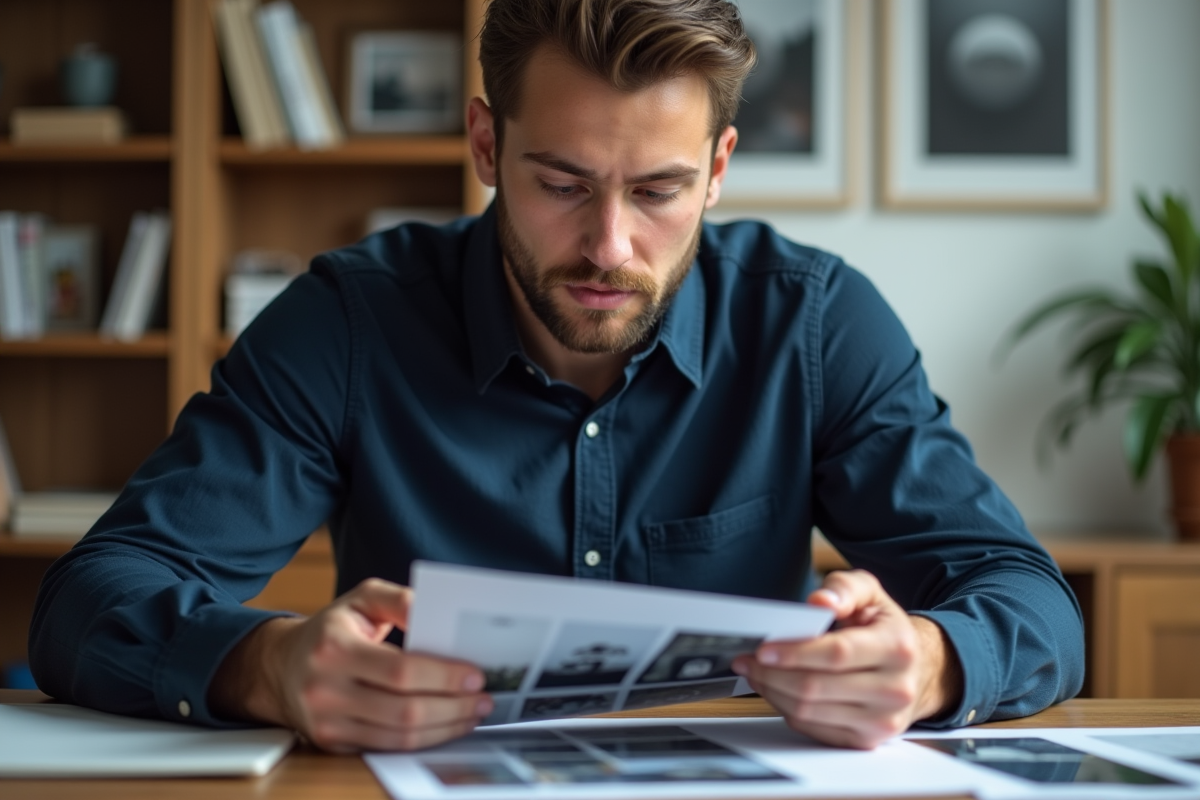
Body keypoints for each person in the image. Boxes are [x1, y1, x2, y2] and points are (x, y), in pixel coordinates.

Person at [30, 0, 1083, 754]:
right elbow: (90, 599)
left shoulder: (813, 323)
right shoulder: (351, 321)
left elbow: (1030, 599)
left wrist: (934, 661)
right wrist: (267, 667)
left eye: (661, 189)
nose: (610, 246)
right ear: (488, 142)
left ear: (718, 168)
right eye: (562, 182)